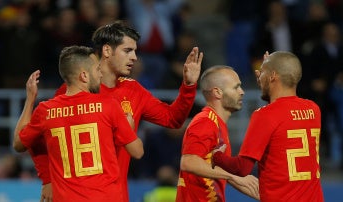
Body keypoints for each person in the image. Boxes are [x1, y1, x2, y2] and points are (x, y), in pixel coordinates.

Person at [24, 21, 203, 201]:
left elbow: (173, 119)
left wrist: (188, 86)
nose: (134, 57)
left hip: (114, 195)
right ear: (107, 51)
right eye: (127, 51)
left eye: (135, 51)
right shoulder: (72, 89)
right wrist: (47, 179)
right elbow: (36, 138)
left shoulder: (134, 91)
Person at [13, 46, 144, 201]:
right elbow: (137, 152)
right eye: (97, 69)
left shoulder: (45, 111)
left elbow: (18, 144)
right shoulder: (108, 105)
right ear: (84, 75)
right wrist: (129, 127)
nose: (101, 74)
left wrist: (30, 99)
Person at [212, 51, 324, 202]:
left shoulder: (265, 115)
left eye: (262, 72)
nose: (258, 76)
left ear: (272, 76)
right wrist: (269, 76)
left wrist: (217, 157)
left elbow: (242, 167)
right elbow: (281, 116)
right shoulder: (314, 109)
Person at [176, 66, 259, 201]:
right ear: (218, 92)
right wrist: (233, 176)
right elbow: (188, 162)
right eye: (236, 87)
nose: (242, 92)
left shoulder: (217, 124)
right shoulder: (206, 122)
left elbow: (213, 168)